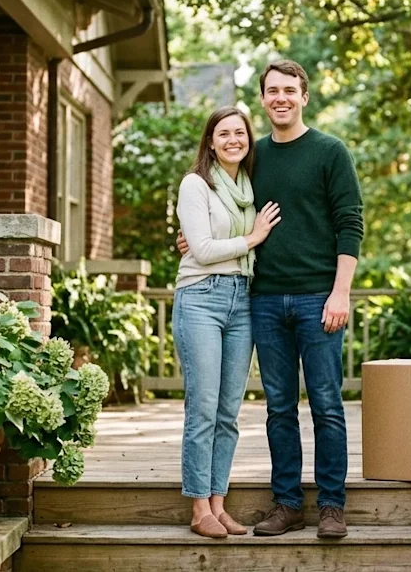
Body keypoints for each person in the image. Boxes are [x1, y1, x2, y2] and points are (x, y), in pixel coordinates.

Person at [180, 60, 364, 540]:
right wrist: (184, 239)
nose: (280, 98)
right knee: (278, 407)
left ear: (304, 95)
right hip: (260, 300)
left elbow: (351, 224)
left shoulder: (330, 151)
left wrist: (341, 292)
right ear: (262, 100)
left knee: (326, 403)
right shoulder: (252, 157)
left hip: (318, 298)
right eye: (271, 91)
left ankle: (330, 505)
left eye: (289, 90)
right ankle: (287, 504)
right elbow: (214, 205)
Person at [173, 106, 282, 539]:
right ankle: (199, 508)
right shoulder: (195, 184)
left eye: (240, 133)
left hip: (243, 300)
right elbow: (199, 249)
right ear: (211, 141)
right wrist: (252, 239)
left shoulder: (248, 186)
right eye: (224, 133)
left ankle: (219, 505)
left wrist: (242, 246)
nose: (233, 139)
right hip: (201, 297)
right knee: (202, 407)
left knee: (228, 412)